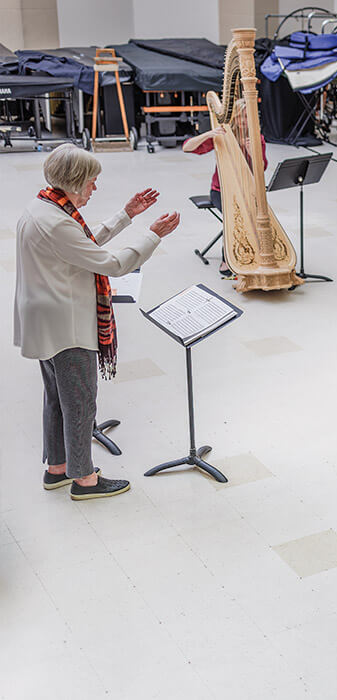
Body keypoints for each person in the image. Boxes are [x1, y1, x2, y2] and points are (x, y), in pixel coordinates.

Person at [14, 144, 180, 500]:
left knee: (57, 398)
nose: (94, 188)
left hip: (44, 317)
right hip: (65, 324)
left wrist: (127, 214)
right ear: (74, 182)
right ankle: (84, 480)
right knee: (81, 401)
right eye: (91, 181)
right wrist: (153, 235)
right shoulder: (57, 222)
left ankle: (57, 468)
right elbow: (111, 264)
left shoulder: (43, 206)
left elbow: (81, 246)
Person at [182, 99, 267, 278]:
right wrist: (208, 134)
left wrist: (253, 153)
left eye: (248, 116)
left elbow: (263, 168)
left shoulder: (256, 137)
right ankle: (227, 260)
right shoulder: (222, 135)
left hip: (247, 189)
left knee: (259, 216)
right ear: (234, 117)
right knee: (235, 216)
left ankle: (254, 254)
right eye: (242, 116)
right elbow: (187, 148)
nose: (245, 120)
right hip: (220, 191)